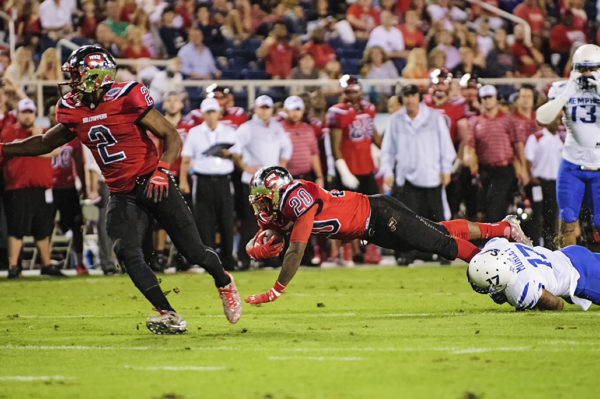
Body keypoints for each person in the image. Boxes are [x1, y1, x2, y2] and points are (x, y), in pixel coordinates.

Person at [0, 45, 241, 334]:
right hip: (121, 191)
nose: (72, 82)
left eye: (76, 75)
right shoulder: (73, 110)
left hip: (153, 182)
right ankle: (168, 313)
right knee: (125, 251)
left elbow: (170, 135)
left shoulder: (127, 97)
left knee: (194, 251)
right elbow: (44, 143)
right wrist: (4, 149)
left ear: (96, 76)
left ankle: (224, 280)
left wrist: (162, 171)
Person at [243, 166, 532, 304]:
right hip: (373, 225)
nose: (261, 204)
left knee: (440, 243)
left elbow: (296, 249)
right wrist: (252, 248)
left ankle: (497, 273)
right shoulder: (282, 207)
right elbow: (265, 235)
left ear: (278, 191)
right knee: (439, 231)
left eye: (263, 197)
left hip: (380, 214)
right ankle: (504, 229)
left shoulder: (297, 197)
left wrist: (276, 290)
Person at [381, 84, 456, 264]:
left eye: (413, 95)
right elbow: (387, 150)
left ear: (419, 97)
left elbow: (446, 145)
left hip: (432, 176)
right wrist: (387, 171)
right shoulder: (396, 120)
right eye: (406, 96)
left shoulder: (434, 117)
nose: (409, 99)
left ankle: (445, 254)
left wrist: (446, 169)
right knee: (407, 221)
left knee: (438, 221)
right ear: (402, 99)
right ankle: (407, 255)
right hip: (407, 180)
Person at [536, 44, 600, 248]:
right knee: (567, 223)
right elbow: (542, 118)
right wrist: (568, 93)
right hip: (572, 164)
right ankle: (568, 272)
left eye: (592, 68)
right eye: (582, 68)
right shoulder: (563, 88)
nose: (587, 74)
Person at [227, 95, 293, 269]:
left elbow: (287, 147)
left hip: (273, 184)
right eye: (261, 107)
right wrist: (243, 166)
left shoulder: (277, 127)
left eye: (267, 108)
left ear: (272, 109)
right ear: (255, 109)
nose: (264, 111)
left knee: (274, 221)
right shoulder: (247, 128)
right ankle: (243, 258)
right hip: (254, 183)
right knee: (251, 221)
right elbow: (235, 149)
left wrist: (282, 165)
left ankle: (269, 258)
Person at [1, 98, 62, 279]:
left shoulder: (42, 132)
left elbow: (56, 150)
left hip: (42, 188)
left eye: (31, 112)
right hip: (18, 188)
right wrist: (35, 144)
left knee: (42, 229)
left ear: (35, 114)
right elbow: (20, 150)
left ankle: (46, 264)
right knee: (16, 228)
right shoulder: (9, 132)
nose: (28, 116)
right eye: (24, 112)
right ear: (18, 113)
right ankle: (13, 266)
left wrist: (36, 144)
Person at [327, 75, 382, 265]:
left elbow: (373, 135)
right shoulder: (337, 111)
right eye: (347, 91)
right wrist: (344, 171)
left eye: (353, 90)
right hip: (349, 169)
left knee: (374, 211)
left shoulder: (369, 108)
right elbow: (335, 146)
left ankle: (369, 251)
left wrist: (388, 153)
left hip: (367, 168)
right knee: (346, 215)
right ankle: (346, 252)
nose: (350, 95)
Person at [180, 98, 237, 270]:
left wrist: (228, 154)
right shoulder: (195, 133)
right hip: (203, 180)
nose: (212, 115)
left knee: (227, 221)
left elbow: (238, 155)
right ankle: (209, 261)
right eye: (208, 112)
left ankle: (228, 260)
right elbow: (186, 158)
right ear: (203, 114)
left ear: (219, 113)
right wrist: (184, 180)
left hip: (224, 180)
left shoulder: (229, 131)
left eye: (214, 112)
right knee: (204, 222)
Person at [467, 237, 598, 311]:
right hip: (568, 254)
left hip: (583, 277)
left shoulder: (520, 288)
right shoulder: (498, 246)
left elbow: (558, 305)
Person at [466, 84, 528, 222]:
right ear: (481, 100)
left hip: (504, 169)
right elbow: (470, 148)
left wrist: (523, 168)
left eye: (490, 97)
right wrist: (473, 170)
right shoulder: (475, 122)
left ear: (496, 98)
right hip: (485, 169)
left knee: (495, 204)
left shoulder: (508, 119)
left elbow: (517, 145)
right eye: (484, 97)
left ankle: (495, 238)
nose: (488, 100)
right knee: (487, 206)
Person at [49, 104, 88, 275]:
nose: (54, 116)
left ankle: (79, 262)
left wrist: (84, 185)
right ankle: (46, 260)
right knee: (45, 226)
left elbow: (80, 163)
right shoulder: (41, 133)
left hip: (68, 187)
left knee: (77, 225)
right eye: (51, 114)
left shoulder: (72, 136)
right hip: (48, 188)